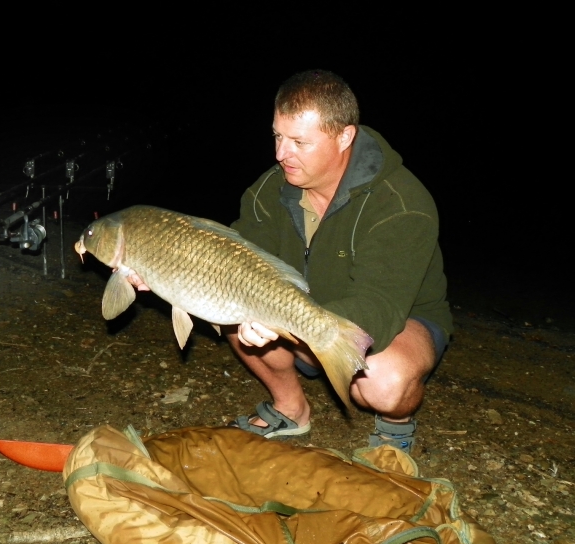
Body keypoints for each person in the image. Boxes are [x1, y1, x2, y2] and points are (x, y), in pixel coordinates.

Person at [128, 69, 452, 452]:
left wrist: (294, 320)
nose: (282, 154)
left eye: (300, 142)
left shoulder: (401, 204)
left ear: (344, 136)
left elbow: (379, 306)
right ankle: (291, 409)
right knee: (231, 308)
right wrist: (167, 272)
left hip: (400, 316)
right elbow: (234, 259)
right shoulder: (270, 190)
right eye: (278, 137)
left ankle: (395, 427)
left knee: (383, 381)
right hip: (303, 308)